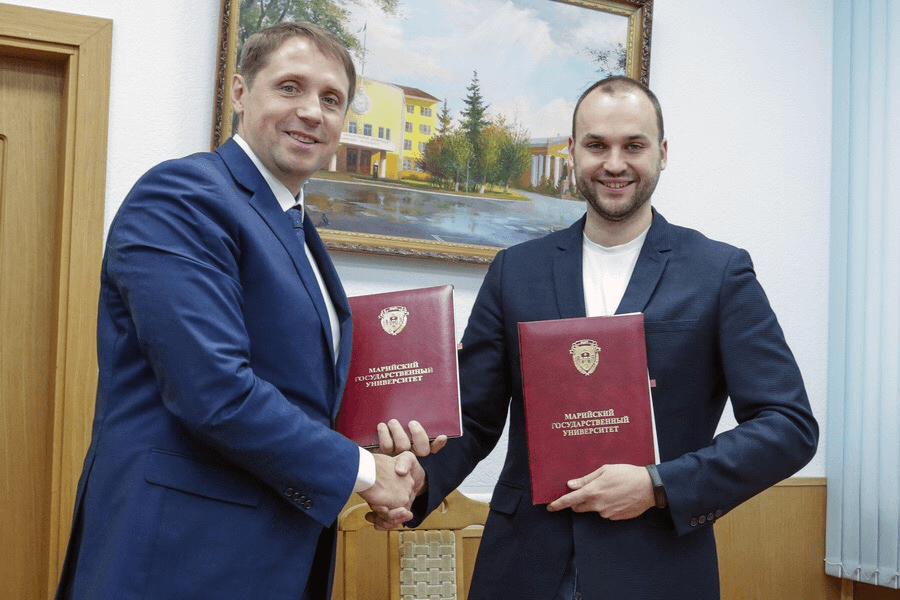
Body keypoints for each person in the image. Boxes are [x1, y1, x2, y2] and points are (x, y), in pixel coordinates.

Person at [374, 76, 819, 599]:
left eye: (633, 146)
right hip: (523, 567)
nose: (614, 163)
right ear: (571, 152)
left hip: (657, 568)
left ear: (662, 153)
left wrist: (658, 486)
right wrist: (418, 478)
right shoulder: (515, 270)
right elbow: (473, 418)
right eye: (596, 145)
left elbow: (788, 426)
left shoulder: (718, 272)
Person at [55, 22, 434, 600]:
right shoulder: (184, 196)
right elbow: (215, 392)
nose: (311, 112)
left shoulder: (294, 227)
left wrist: (390, 445)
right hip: (176, 558)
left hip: (268, 554)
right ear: (239, 91)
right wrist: (363, 472)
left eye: (331, 99)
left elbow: (299, 394)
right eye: (290, 87)